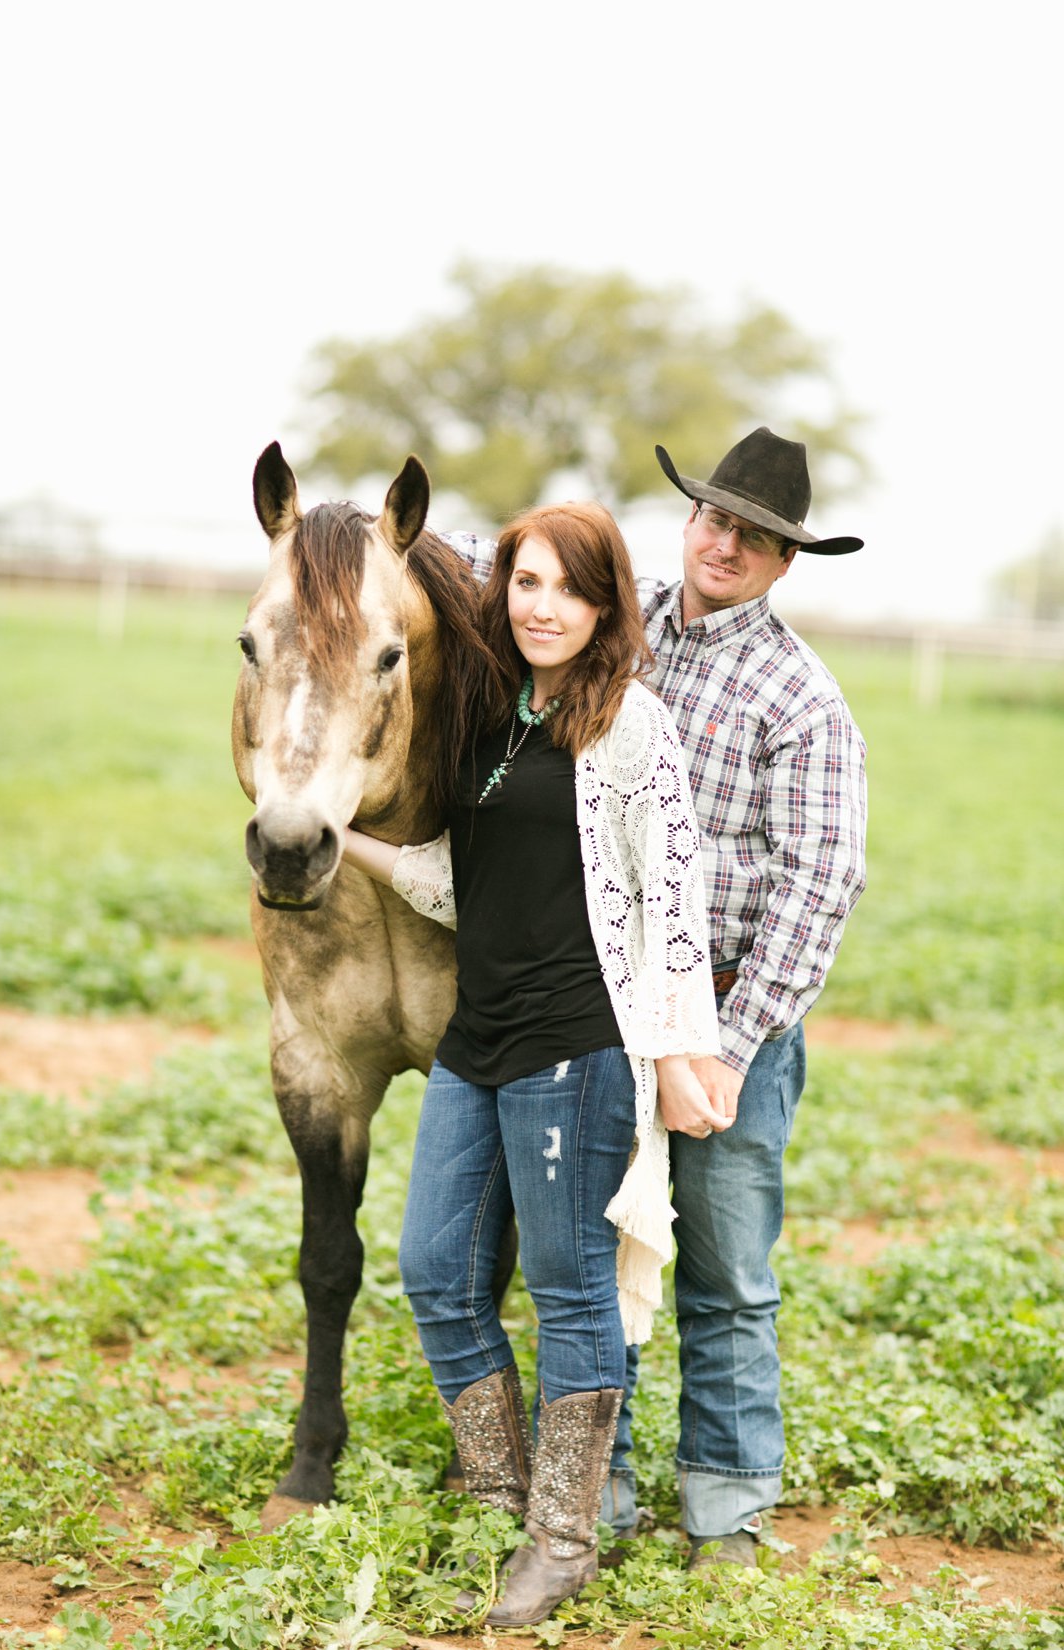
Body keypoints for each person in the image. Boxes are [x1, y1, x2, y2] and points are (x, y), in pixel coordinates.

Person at [447, 427, 867, 1570]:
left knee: (725, 1273)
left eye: (756, 534)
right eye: (713, 517)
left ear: (786, 560)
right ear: (686, 521)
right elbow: (504, 568)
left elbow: (816, 885)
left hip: (730, 1017)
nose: (724, 541)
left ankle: (724, 1512)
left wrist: (724, 1048)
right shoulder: (623, 635)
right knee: (589, 1254)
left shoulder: (799, 698)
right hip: (601, 1014)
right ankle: (605, 1484)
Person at [341, 500, 723, 1625]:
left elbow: (672, 900)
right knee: (433, 1272)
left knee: (566, 1293)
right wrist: (345, 840)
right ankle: (504, 1495)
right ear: (500, 593)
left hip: (578, 1044)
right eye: (524, 583)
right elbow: (465, 885)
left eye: (567, 587)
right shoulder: (485, 717)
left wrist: (671, 1049)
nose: (541, 605)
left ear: (605, 604)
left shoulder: (629, 725)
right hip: (478, 1042)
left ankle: (561, 1537)